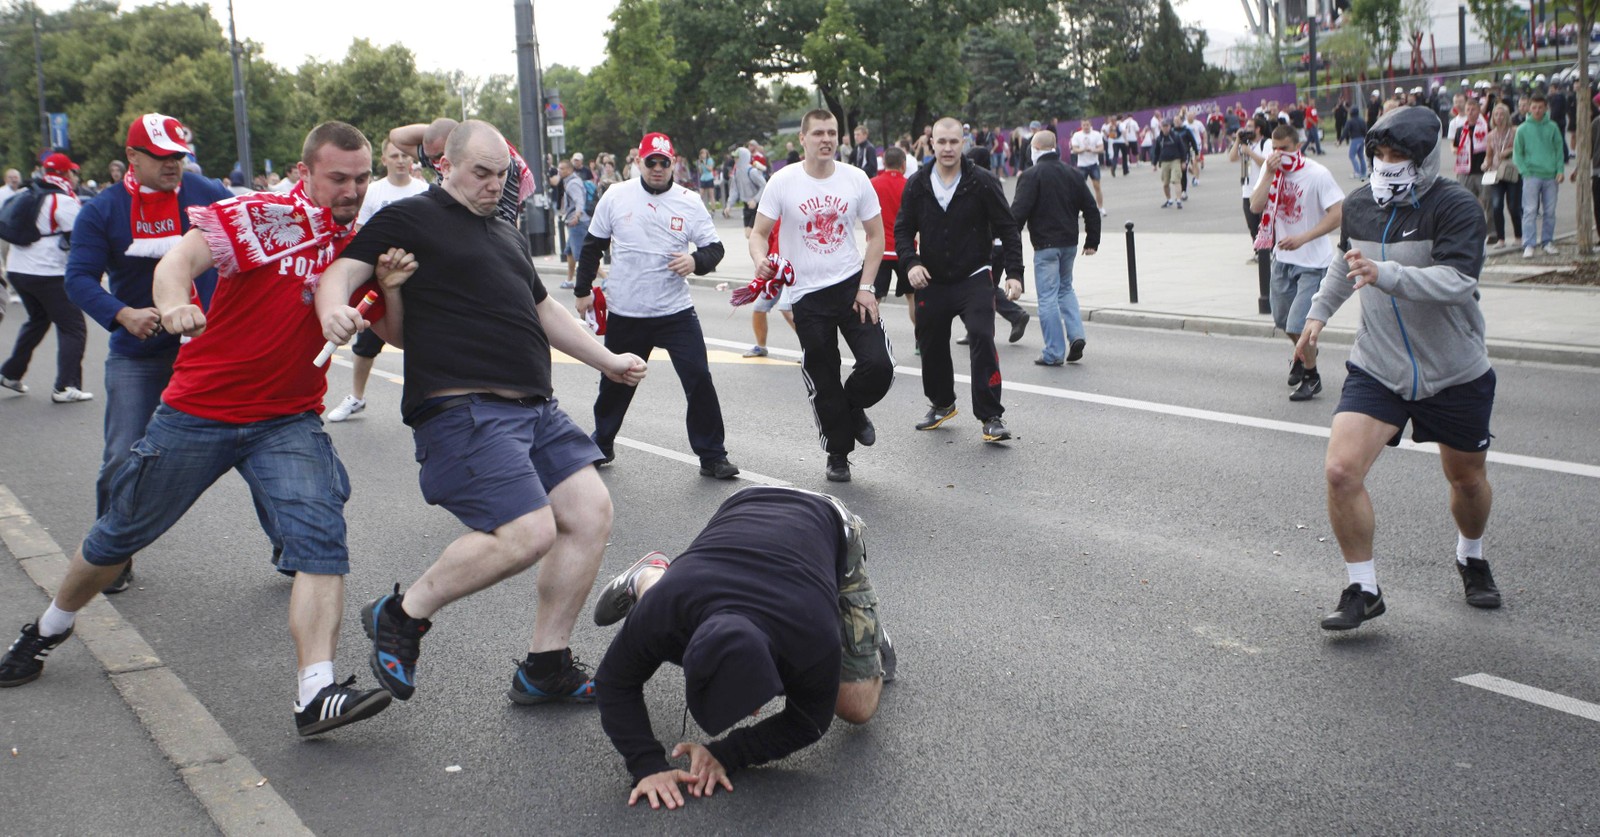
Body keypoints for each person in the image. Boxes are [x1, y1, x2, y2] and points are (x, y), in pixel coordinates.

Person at [0, 122, 397, 737]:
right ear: (304, 172)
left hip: (287, 418)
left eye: (361, 178)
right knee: (117, 535)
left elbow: (394, 332)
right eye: (337, 178)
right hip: (200, 410)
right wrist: (173, 304)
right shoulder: (261, 214)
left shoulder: (363, 242)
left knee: (322, 541)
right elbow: (179, 260)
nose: (351, 190)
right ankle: (50, 625)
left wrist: (391, 289)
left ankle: (315, 693)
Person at [315, 120, 648, 708]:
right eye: (481, 173)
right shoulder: (409, 218)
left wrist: (607, 361)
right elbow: (342, 272)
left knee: (590, 513)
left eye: (502, 174)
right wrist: (332, 311)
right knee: (529, 532)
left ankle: (546, 666)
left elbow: (545, 312)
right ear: (446, 165)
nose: (494, 185)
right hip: (464, 407)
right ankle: (402, 615)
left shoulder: (506, 233)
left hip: (535, 409)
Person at [1295, 106, 1499, 631]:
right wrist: (1317, 315)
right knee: (1341, 471)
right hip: (1378, 365)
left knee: (1467, 481)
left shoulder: (1455, 206)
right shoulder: (1361, 203)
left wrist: (1386, 274)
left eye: (1399, 156)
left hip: (1453, 371)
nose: (1387, 164)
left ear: (1425, 160)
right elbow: (1346, 263)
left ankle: (1471, 555)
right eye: (1380, 154)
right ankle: (1363, 588)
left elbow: (1458, 282)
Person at [592, 486, 892, 810]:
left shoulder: (815, 638)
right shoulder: (666, 611)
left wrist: (729, 754)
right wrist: (646, 766)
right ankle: (647, 574)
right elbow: (613, 681)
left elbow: (810, 722)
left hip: (825, 519)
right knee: (658, 605)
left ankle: (866, 633)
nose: (753, 712)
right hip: (742, 508)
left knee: (856, 706)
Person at [62, 113, 241, 594]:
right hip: (138, 352)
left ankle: (291, 549)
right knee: (122, 455)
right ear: (132, 157)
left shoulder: (207, 193)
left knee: (259, 442)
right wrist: (122, 314)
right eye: (160, 156)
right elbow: (77, 279)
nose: (172, 165)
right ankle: (109, 558)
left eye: (178, 156)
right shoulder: (103, 210)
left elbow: (251, 240)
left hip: (210, 348)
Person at [574, 132, 736, 478]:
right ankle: (602, 442)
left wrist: (695, 261)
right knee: (616, 381)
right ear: (639, 162)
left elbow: (715, 249)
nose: (658, 168)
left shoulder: (689, 201)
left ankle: (712, 455)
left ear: (673, 163)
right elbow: (592, 246)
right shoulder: (616, 195)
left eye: (664, 162)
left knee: (698, 378)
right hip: (627, 311)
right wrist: (582, 290)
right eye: (651, 162)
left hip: (675, 311)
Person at [749, 109, 892, 483]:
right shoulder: (783, 181)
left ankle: (853, 405)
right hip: (807, 295)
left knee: (879, 366)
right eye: (818, 133)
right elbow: (758, 233)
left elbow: (876, 236)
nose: (826, 139)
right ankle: (838, 453)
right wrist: (761, 260)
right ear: (803, 139)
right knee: (823, 377)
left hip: (851, 285)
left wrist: (867, 287)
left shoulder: (855, 178)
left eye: (831, 133)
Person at [895, 117, 1022, 443]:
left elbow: (1008, 227)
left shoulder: (982, 181)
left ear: (962, 142)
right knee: (931, 342)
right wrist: (911, 263)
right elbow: (903, 230)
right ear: (931, 143)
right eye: (942, 142)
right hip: (932, 280)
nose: (948, 148)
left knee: (981, 335)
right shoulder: (918, 183)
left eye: (954, 141)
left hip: (974, 276)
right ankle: (942, 404)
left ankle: (991, 416)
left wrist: (1015, 273)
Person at [327, 137, 429, 424]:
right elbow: (359, 235)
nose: (400, 160)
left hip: (418, 278)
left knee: (423, 341)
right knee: (366, 343)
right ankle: (356, 396)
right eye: (394, 156)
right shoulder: (373, 192)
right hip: (379, 279)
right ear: (384, 160)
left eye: (404, 156)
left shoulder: (424, 191)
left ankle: (427, 400)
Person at [1250, 124, 1344, 402]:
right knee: (1282, 320)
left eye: (1285, 149)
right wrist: (1268, 172)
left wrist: (1303, 238)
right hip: (1282, 260)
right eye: (1274, 149)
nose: (1279, 154)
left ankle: (1312, 377)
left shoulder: (1317, 174)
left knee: (1297, 324)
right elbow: (1256, 206)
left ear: (1298, 147)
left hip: (1313, 263)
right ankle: (1304, 354)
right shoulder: (1271, 171)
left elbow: (1338, 213)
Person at [1, 153, 91, 404]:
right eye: (73, 172)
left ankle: (10, 373)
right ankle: (66, 386)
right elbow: (79, 240)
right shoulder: (63, 201)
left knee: (38, 320)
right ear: (65, 174)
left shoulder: (27, 192)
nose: (75, 177)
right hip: (46, 272)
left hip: (18, 270)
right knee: (73, 326)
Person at [1011, 130, 1100, 367]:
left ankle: (1053, 352)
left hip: (1045, 245)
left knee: (1048, 297)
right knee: (1066, 289)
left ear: (1036, 149)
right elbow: (1091, 208)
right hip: (1069, 243)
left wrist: (1007, 240)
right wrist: (1092, 240)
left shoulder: (1031, 175)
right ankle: (1077, 335)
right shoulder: (1073, 173)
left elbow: (1017, 214)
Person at [869, 146, 914, 335]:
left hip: (880, 250)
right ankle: (921, 339)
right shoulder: (910, 185)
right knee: (913, 296)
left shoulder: (872, 184)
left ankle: (870, 336)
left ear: (884, 163)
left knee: (873, 298)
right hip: (906, 250)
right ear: (903, 164)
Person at [1513, 95, 1563, 257]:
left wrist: (1560, 170)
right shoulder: (1522, 129)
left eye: (1540, 107)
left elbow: (1559, 149)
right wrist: (1524, 171)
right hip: (1531, 175)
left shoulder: (1553, 127)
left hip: (1550, 175)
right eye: (1534, 107)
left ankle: (1547, 241)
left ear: (1546, 108)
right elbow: (1517, 153)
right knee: (1530, 210)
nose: (1537, 110)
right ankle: (1529, 243)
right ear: (1529, 108)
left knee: (1550, 211)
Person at [1485, 103, 1522, 247]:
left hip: (1512, 171)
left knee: (1513, 206)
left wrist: (1509, 150)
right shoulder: (1491, 135)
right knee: (1496, 205)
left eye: (1501, 114)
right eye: (1496, 115)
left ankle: (1518, 236)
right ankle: (1501, 238)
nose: (1499, 117)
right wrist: (1486, 164)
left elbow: (1521, 148)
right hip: (1496, 172)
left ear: (1506, 116)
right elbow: (1489, 155)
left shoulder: (1515, 131)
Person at [1068, 119, 1106, 215]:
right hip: (1082, 165)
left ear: (1090, 125)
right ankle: (1080, 209)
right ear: (1081, 125)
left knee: (1097, 186)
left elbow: (1101, 148)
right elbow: (1074, 149)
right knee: (1080, 187)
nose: (1086, 127)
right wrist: (1082, 150)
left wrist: (1093, 150)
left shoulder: (1096, 134)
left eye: (1087, 125)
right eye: (1084, 125)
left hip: (1094, 163)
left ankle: (1100, 207)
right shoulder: (1077, 135)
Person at [1152, 120, 1191, 208]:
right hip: (1164, 162)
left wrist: (1183, 161)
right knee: (1165, 183)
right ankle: (1169, 200)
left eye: (1167, 126)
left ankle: (1178, 200)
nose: (1165, 128)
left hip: (1175, 160)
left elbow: (1182, 149)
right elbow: (1156, 152)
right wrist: (1154, 164)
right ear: (1161, 127)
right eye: (1163, 126)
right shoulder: (1159, 139)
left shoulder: (1176, 136)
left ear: (1170, 126)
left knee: (1176, 180)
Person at [1343, 109, 1368, 180]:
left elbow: (1345, 131)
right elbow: (1365, 130)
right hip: (1362, 139)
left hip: (1355, 140)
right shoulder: (1362, 120)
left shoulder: (1350, 121)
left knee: (1351, 155)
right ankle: (1363, 172)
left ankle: (1357, 172)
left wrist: (1340, 140)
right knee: (1361, 156)